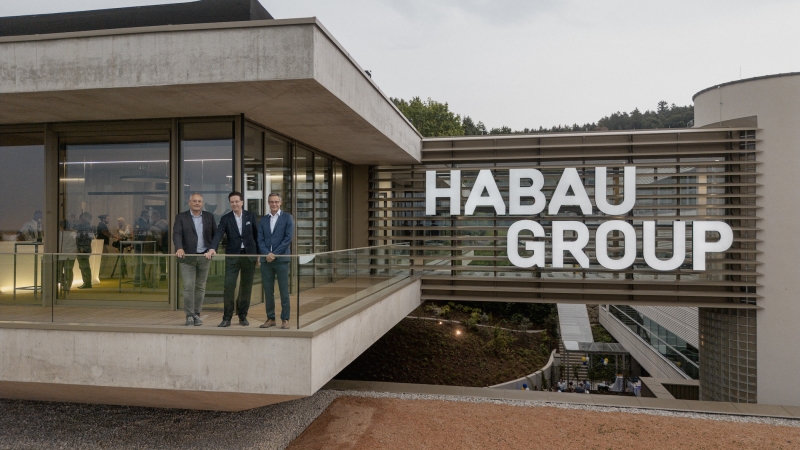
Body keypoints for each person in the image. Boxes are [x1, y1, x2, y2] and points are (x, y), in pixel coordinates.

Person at [208, 192, 258, 327]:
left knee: (246, 287)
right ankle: (227, 318)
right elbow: (219, 233)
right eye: (232, 202)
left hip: (249, 255)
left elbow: (257, 235)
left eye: (237, 201)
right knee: (229, 286)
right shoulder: (226, 218)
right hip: (233, 256)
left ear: (242, 202)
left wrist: (259, 255)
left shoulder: (250, 216)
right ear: (230, 203)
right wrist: (213, 248)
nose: (235, 204)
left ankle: (242, 316)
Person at [173, 193, 217, 326]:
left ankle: (197, 314)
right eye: (194, 201)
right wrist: (179, 248)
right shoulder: (181, 217)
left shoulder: (209, 217)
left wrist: (212, 249)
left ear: (202, 203)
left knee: (200, 287)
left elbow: (216, 235)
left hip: (204, 256)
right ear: (189, 202)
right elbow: (177, 233)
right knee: (188, 287)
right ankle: (189, 315)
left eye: (199, 201)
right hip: (187, 257)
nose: (197, 203)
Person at [257, 193, 294, 330]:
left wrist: (275, 254)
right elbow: (260, 238)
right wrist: (267, 254)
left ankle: (285, 319)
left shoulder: (287, 218)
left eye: (276, 202)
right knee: (268, 290)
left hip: (281, 260)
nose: (273, 204)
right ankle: (270, 318)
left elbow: (288, 238)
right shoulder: (264, 219)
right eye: (271, 202)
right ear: (268, 203)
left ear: (280, 203)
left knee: (284, 291)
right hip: (266, 261)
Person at [75, 212, 94, 289]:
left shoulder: (83, 227)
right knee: (84, 266)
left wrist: (82, 247)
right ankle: (87, 281)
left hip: (83, 248)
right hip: (85, 248)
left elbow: (84, 238)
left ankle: (87, 282)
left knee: (84, 266)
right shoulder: (89, 227)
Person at [58, 219, 77, 296]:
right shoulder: (73, 233)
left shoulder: (59, 234)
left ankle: (64, 283)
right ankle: (67, 285)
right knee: (68, 271)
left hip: (61, 254)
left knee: (59, 271)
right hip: (70, 254)